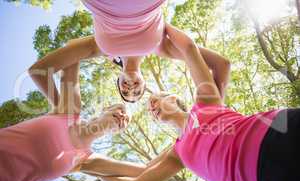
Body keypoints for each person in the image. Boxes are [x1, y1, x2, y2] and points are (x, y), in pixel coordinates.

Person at [76, 24, 300, 181]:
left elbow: (190, 49)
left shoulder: (206, 102)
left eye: (154, 100)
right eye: (150, 108)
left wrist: (158, 32)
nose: (151, 107)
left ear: (174, 98)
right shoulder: (177, 152)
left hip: (281, 134)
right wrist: (81, 164)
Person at [31, 0, 230, 103]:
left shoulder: (101, 48)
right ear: (144, 82)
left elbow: (39, 72)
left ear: (118, 80)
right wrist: (215, 111)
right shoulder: (162, 47)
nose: (130, 88)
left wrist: (61, 109)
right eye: (137, 92)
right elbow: (222, 64)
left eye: (125, 92)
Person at [0, 51, 130, 181]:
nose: (123, 116)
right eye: (122, 109)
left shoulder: (86, 158)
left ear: (116, 131)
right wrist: (111, 50)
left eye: (127, 121)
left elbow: (142, 174)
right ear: (105, 109)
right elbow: (73, 52)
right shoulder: (70, 112)